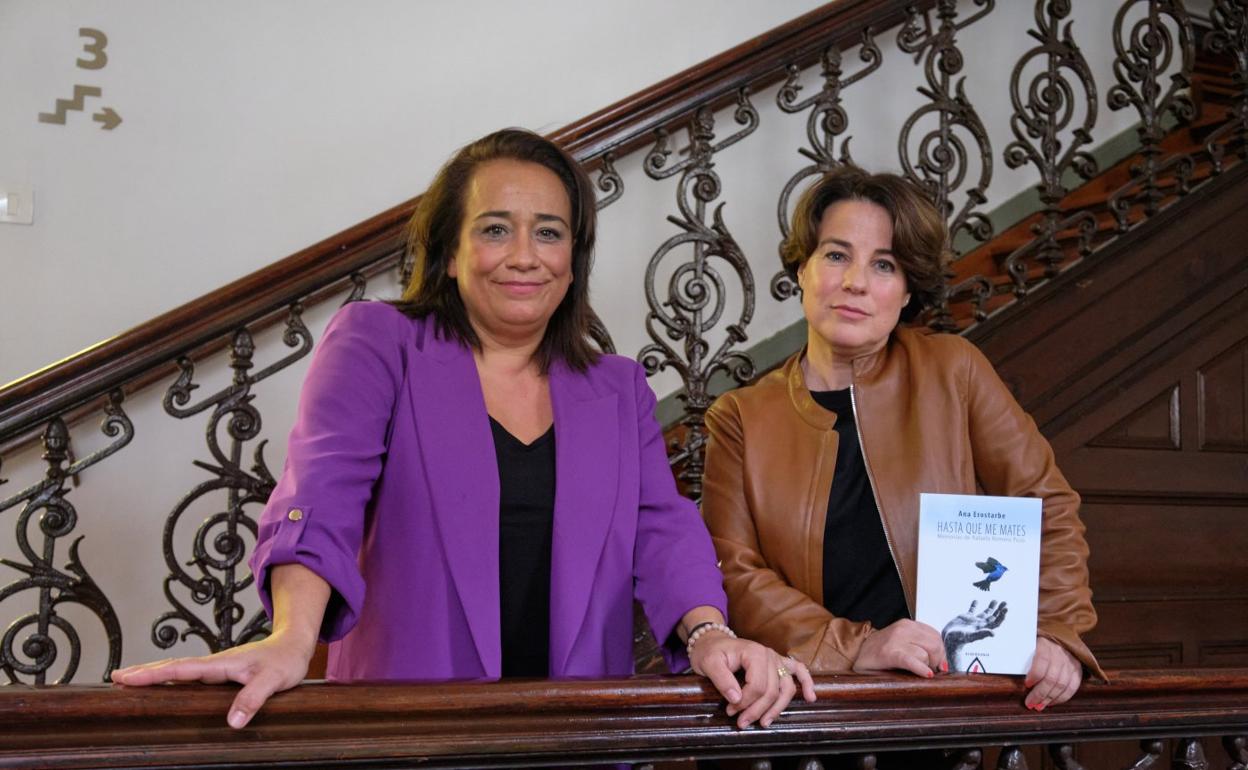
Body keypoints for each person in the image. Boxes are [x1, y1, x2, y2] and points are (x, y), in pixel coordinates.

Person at [112, 128, 815, 729]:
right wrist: (292, 637)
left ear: (572, 264)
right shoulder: (379, 343)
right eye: (494, 228)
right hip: (411, 732)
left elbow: (664, 531)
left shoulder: (618, 386)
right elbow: (322, 489)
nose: (523, 254)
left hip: (580, 733)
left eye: (549, 232)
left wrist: (710, 635)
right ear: (449, 253)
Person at [701, 164, 1104, 714]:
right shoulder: (741, 416)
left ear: (908, 288)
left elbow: (1047, 504)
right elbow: (735, 570)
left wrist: (1057, 630)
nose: (855, 282)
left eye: (883, 265)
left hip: (941, 696)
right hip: (801, 701)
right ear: (802, 268)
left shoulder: (952, 371)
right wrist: (856, 645)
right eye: (836, 255)